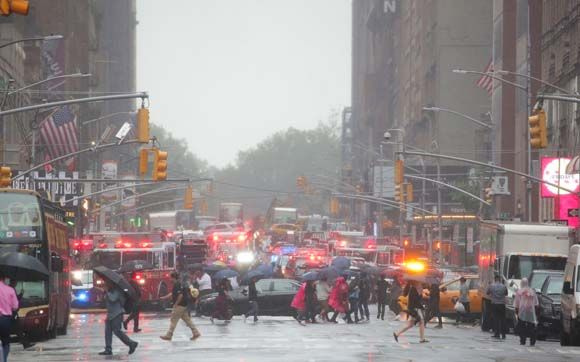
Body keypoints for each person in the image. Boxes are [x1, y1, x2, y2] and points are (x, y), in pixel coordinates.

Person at [98, 281, 138, 356]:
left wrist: (106, 291)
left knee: (117, 331)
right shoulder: (111, 290)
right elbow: (106, 301)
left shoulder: (118, 290)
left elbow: (113, 299)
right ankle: (108, 349)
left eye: (107, 284)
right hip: (110, 314)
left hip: (117, 314)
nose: (106, 285)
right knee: (107, 332)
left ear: (112, 283)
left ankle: (131, 343)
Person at [160, 271, 201, 341]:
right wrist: (164, 297)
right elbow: (172, 293)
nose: (170, 279)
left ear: (173, 278)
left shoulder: (177, 284)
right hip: (183, 305)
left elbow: (180, 295)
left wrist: (176, 304)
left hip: (180, 305)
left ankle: (169, 335)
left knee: (173, 320)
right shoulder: (179, 283)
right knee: (187, 320)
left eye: (170, 278)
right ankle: (196, 332)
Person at [8, 279, 34, 349]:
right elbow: (15, 300)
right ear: (13, 282)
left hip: (10, 313)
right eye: (15, 282)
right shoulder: (11, 289)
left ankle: (26, 343)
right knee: (18, 329)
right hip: (13, 313)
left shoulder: (10, 289)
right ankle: (26, 344)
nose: (16, 283)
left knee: (17, 330)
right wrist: (21, 294)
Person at [514, 278, 539, 346]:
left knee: (521, 326)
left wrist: (516, 311)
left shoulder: (519, 292)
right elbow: (536, 303)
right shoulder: (532, 291)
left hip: (522, 311)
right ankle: (532, 341)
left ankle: (523, 340)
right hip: (531, 311)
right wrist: (536, 313)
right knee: (531, 326)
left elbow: (517, 303)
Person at [0, 272, 19, 361]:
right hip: (5, 320)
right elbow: (15, 306)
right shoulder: (10, 290)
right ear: (4, 279)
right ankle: (3, 359)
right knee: (5, 342)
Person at [486, 275, 508, 340]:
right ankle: (503, 334)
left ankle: (497, 334)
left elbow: (487, 293)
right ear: (500, 279)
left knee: (496, 319)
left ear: (495, 279)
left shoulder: (491, 286)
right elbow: (506, 294)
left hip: (494, 304)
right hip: (502, 304)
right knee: (502, 320)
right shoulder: (504, 286)